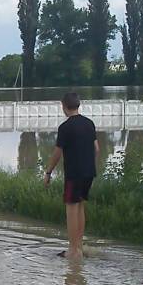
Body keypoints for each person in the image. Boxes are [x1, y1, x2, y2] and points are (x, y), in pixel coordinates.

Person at [44, 92, 99, 260]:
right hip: (89, 172)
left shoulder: (65, 128)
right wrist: (89, 164)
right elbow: (96, 149)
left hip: (74, 174)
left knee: (71, 210)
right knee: (80, 207)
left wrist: (48, 172)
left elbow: (57, 153)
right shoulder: (89, 124)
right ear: (78, 105)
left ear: (64, 106)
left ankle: (73, 251)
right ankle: (79, 246)